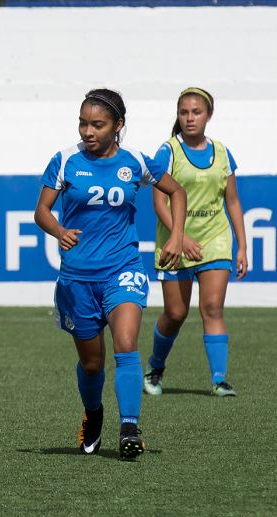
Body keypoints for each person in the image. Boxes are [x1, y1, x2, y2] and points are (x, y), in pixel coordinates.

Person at [34, 89, 187, 460]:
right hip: (77, 279)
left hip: (123, 269)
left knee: (126, 346)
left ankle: (130, 429)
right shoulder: (66, 160)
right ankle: (94, 415)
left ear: (118, 126)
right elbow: (42, 211)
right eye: (83, 123)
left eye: (97, 124)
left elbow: (176, 191)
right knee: (91, 363)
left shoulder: (135, 161)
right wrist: (58, 231)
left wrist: (177, 236)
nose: (88, 131)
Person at [144, 87, 247, 398]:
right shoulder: (168, 152)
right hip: (176, 243)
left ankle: (219, 379)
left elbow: (232, 202)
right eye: (184, 112)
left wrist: (241, 245)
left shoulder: (223, 153)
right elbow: (159, 203)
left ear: (209, 115)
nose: (189, 118)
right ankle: (156, 367)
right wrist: (181, 236)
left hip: (215, 239)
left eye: (196, 112)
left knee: (213, 307)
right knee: (175, 313)